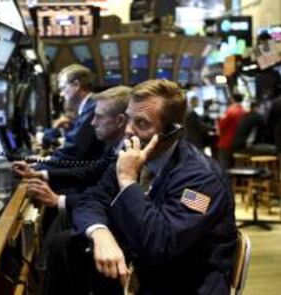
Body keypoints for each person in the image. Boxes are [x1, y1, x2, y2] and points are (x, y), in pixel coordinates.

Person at [44, 79, 237, 295]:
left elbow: (160, 245)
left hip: (184, 282)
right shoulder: (134, 156)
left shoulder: (201, 182)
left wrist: (128, 181)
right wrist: (100, 233)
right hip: (145, 267)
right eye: (128, 120)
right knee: (64, 246)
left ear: (171, 132)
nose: (128, 131)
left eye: (142, 124)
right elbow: (92, 199)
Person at [13, 86, 132, 214]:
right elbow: (90, 171)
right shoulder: (115, 145)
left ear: (120, 121)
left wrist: (58, 200)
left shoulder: (129, 154)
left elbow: (110, 199)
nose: (93, 123)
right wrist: (40, 174)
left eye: (99, 117)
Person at [51, 64, 105, 161]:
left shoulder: (92, 108)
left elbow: (74, 149)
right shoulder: (89, 106)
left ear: (76, 85)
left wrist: (39, 166)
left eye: (63, 88)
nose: (61, 94)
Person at [217, 93, 246, 170]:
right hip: (239, 143)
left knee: (224, 166)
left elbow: (221, 126)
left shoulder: (230, 111)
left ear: (232, 99)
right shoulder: (244, 111)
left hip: (227, 142)